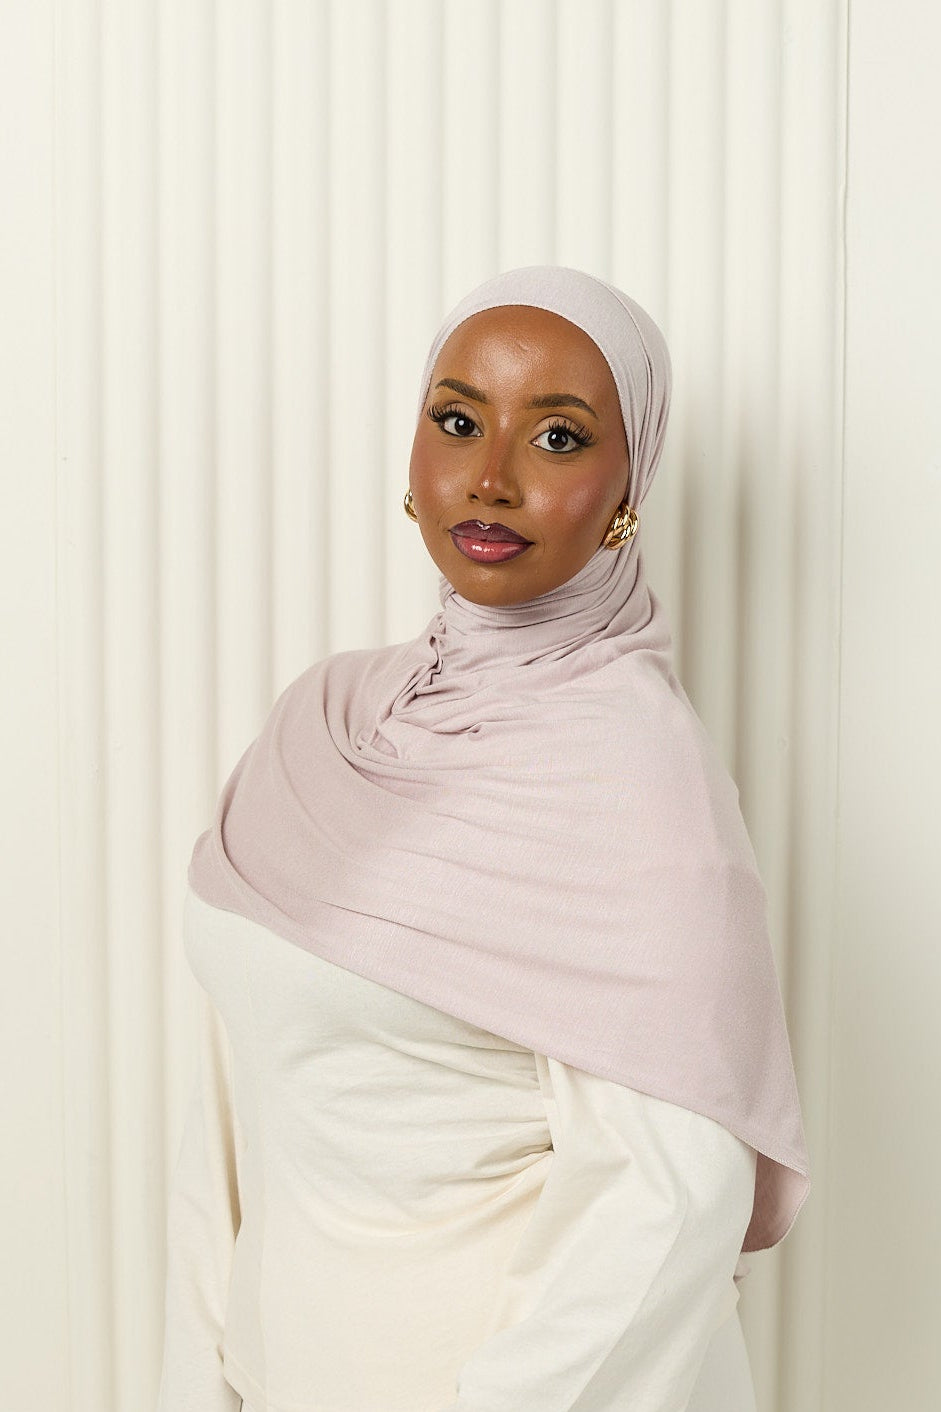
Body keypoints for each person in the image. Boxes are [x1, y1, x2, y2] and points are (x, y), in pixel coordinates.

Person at [156, 265, 810, 1412]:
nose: (491, 476)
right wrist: (196, 1373)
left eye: (558, 438)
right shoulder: (326, 717)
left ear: (626, 485)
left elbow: (670, 1199)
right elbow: (239, 1094)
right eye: (457, 420)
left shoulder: (638, 781)